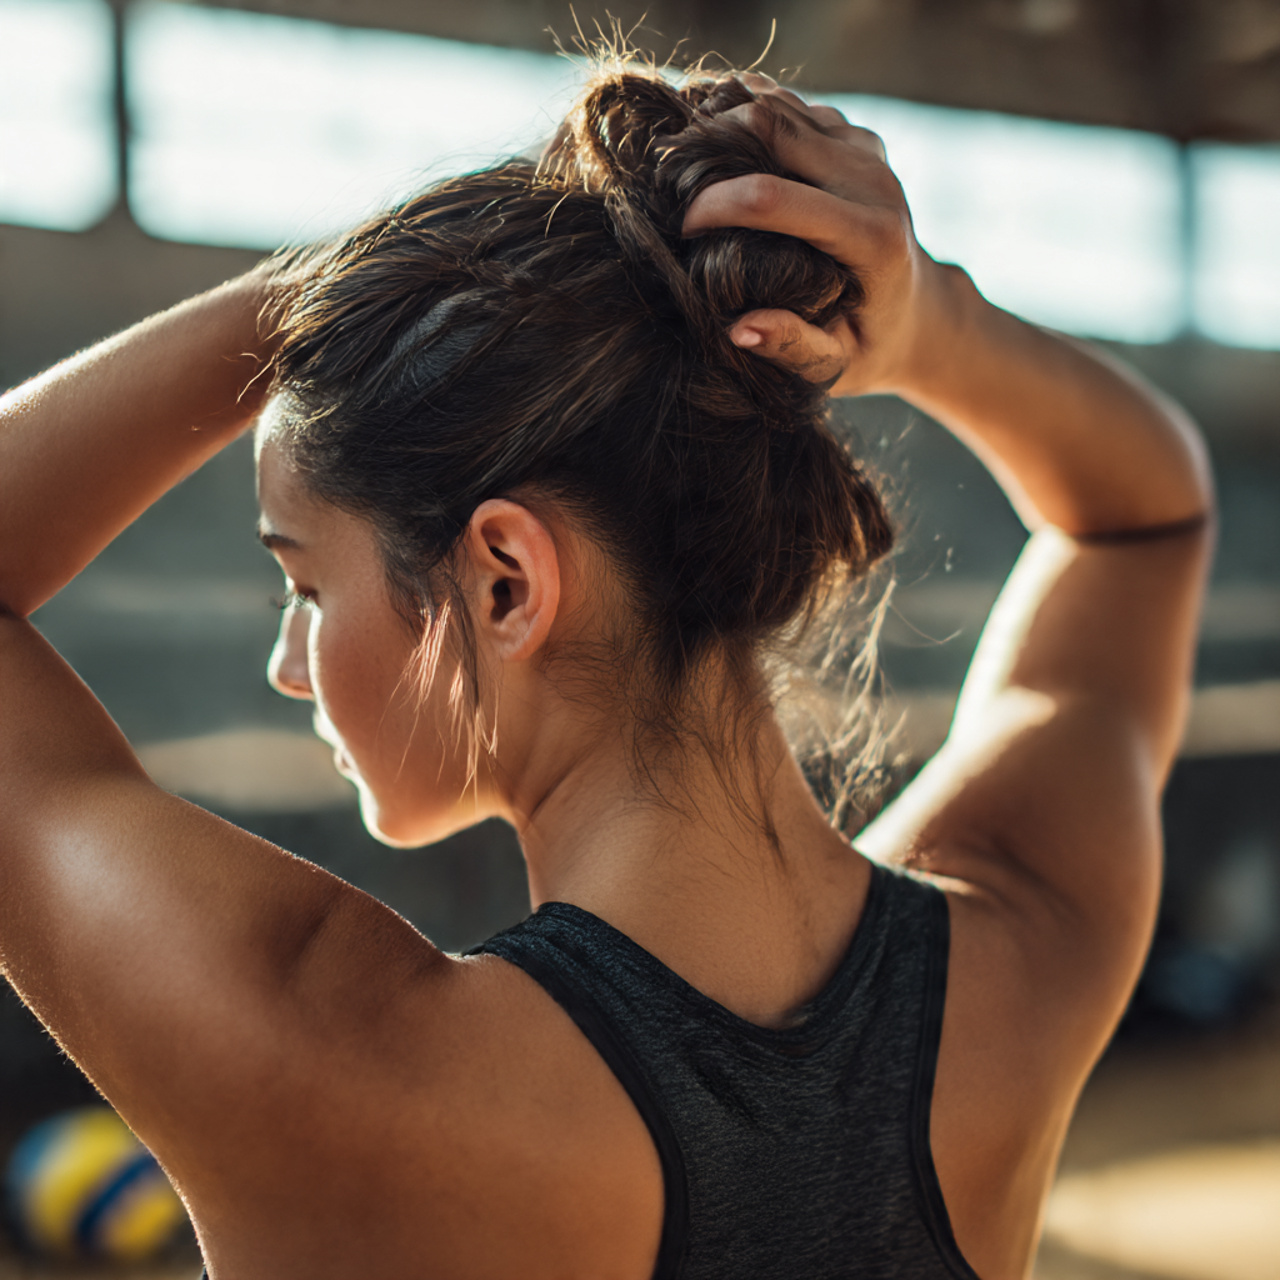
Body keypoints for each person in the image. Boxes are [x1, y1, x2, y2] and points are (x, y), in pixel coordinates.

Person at [0, 64, 1212, 1280]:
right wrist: (934, 327)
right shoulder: (1020, 949)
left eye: (307, 586)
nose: (289, 666)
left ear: (505, 582)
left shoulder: (334, 1059)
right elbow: (1139, 519)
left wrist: (343, 284)